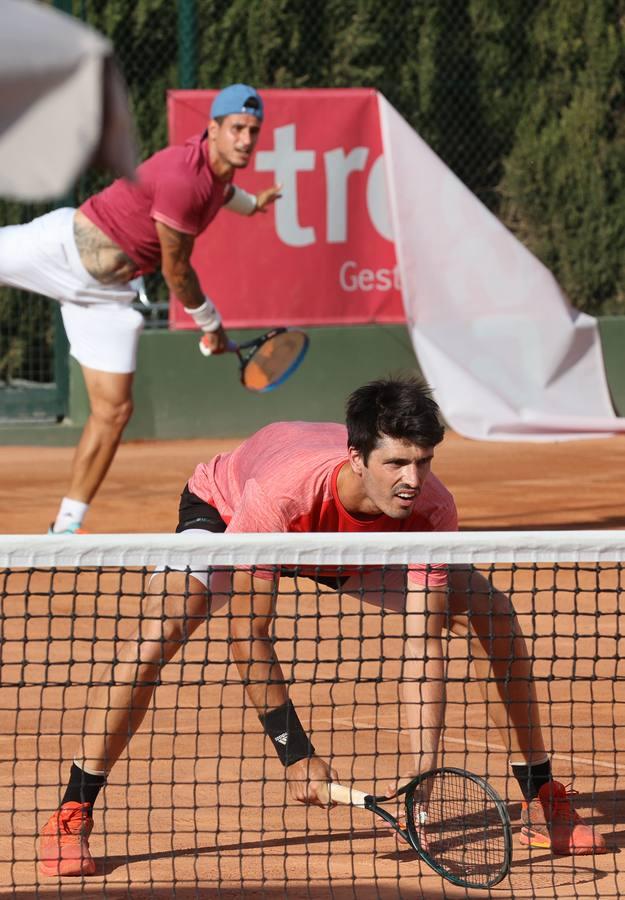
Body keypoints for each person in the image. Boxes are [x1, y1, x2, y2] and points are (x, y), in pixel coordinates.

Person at [37, 377, 607, 876]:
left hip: (350, 551)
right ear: (357, 456)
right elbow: (247, 634)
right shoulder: (279, 496)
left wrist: (420, 781)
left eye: (424, 461)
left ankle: (539, 795)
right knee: (164, 629)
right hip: (234, 512)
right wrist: (296, 752)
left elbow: (422, 642)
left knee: (491, 615)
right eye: (396, 463)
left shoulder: (432, 507)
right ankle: (74, 810)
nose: (413, 478)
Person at [0, 83, 280, 534]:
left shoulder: (218, 172)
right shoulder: (182, 177)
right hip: (62, 249)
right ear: (213, 129)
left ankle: (66, 527)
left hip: (106, 298)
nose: (246, 139)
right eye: (237, 129)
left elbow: (225, 193)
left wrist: (254, 204)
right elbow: (177, 273)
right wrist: (211, 325)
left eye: (253, 130)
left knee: (114, 412)